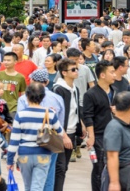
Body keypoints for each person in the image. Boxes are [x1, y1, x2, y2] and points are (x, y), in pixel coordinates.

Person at [7, 83, 64, 191]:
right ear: (43, 96)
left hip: (24, 156)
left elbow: (14, 141)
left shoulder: (20, 115)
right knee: (37, 187)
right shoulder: (50, 113)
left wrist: (10, 161)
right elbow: (60, 132)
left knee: (28, 187)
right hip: (43, 154)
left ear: (27, 95)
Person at [83, 60, 117, 191]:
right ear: (102, 75)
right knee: (99, 168)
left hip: (114, 134)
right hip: (99, 135)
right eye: (112, 72)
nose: (114, 75)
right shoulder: (91, 94)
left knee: (113, 166)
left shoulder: (114, 91)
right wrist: (91, 136)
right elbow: (88, 116)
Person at [52, 58, 81, 188]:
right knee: (60, 167)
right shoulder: (58, 89)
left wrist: (82, 126)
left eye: (77, 69)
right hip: (59, 133)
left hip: (72, 131)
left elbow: (75, 110)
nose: (76, 72)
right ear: (64, 72)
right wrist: (63, 136)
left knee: (64, 167)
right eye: (73, 70)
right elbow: (55, 116)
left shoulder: (74, 88)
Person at [104, 91, 130, 191]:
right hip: (121, 177)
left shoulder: (128, 125)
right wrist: (114, 183)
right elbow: (112, 156)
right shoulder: (115, 127)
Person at [0, 52, 27, 117]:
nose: (5, 62)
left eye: (8, 60)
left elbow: (23, 94)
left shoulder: (20, 77)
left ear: (15, 62)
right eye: (4, 60)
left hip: (13, 108)